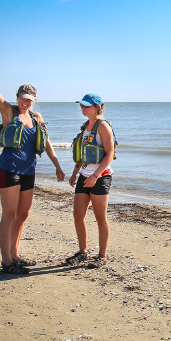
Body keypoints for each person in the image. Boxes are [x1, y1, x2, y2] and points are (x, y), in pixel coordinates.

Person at [0, 54, 65, 274]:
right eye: (22, 98)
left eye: (29, 99)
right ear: (17, 97)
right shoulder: (9, 112)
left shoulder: (37, 117)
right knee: (8, 214)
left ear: (34, 100)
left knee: (23, 214)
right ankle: (6, 262)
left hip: (29, 171)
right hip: (9, 169)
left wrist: (57, 165)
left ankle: (15, 254)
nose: (25, 102)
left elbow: (46, 142)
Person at [65, 93, 115, 269]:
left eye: (87, 106)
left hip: (100, 177)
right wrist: (74, 173)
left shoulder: (103, 126)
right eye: (81, 105)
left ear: (97, 107)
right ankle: (83, 252)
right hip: (84, 175)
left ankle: (102, 256)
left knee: (101, 218)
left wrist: (95, 176)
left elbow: (109, 154)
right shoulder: (85, 126)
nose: (83, 108)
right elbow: (83, 153)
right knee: (78, 215)